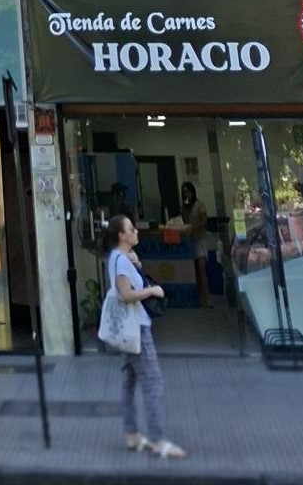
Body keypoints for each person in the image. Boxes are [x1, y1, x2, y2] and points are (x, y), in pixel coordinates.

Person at [103, 213, 185, 459]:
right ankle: (157, 439)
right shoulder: (119, 260)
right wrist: (153, 290)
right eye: (131, 229)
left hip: (131, 329)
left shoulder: (121, 258)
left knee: (129, 382)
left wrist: (136, 266)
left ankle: (132, 435)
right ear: (121, 235)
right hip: (136, 329)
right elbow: (126, 294)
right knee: (153, 382)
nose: (136, 232)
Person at [179, 182, 211, 308]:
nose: (186, 194)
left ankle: (206, 297)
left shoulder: (199, 204)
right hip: (189, 239)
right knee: (193, 269)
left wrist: (194, 227)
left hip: (200, 238)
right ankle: (198, 296)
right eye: (184, 192)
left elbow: (204, 220)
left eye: (188, 191)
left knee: (201, 267)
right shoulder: (185, 206)